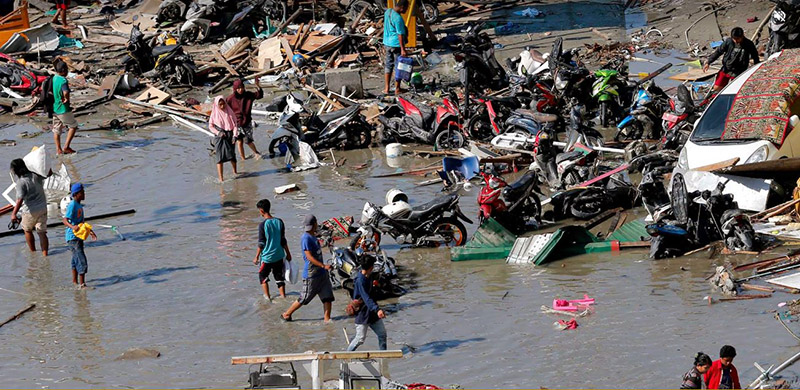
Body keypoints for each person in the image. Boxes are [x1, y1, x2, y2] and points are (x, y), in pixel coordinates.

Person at [281, 214, 335, 323]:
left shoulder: (313, 236)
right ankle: (287, 314)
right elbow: (309, 257)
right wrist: (323, 265)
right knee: (304, 298)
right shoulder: (305, 238)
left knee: (327, 296)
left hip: (321, 273)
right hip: (312, 274)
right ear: (314, 224)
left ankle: (327, 320)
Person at [252, 199, 292, 301]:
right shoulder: (279, 222)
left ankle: (267, 298)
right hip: (279, 255)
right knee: (279, 277)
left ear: (261, 210)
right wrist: (288, 253)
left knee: (263, 277)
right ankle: (283, 297)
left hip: (267, 257)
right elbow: (283, 240)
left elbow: (261, 243)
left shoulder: (263, 225)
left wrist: (256, 257)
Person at [346, 255, 388, 351]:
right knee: (360, 339)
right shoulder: (360, 280)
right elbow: (366, 298)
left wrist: (376, 286)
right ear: (370, 267)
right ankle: (347, 356)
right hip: (363, 313)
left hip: (372, 313)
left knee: (382, 335)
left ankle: (383, 356)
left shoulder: (368, 276)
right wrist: (377, 310)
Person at [9, 159, 49, 256]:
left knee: (27, 230)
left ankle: (33, 253)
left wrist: (14, 213)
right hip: (43, 208)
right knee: (42, 232)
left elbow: (20, 199)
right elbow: (49, 173)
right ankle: (45, 254)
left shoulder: (21, 182)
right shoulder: (36, 175)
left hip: (30, 211)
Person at [703, 27, 760, 93]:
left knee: (734, 90)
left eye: (737, 39)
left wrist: (757, 70)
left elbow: (755, 56)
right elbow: (718, 52)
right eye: (734, 39)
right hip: (726, 68)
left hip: (739, 71)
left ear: (742, 36)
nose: (736, 41)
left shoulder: (749, 44)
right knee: (717, 88)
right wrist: (708, 62)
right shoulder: (728, 42)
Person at [62, 183, 96, 289]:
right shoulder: (72, 205)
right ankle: (82, 284)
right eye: (82, 192)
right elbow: (65, 220)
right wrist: (72, 227)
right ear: (76, 194)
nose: (84, 194)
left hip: (79, 236)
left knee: (75, 259)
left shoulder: (79, 205)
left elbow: (82, 222)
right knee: (81, 259)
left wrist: (90, 231)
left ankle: (74, 282)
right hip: (72, 237)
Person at [226, 78, 263, 161]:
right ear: (235, 89)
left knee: (248, 140)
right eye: (238, 88)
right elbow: (225, 110)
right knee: (239, 141)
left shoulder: (248, 95)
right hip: (236, 123)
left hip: (247, 122)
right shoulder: (230, 99)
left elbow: (259, 95)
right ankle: (243, 159)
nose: (240, 90)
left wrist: (258, 86)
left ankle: (256, 153)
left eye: (242, 87)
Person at [208, 96, 239, 182]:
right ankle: (221, 179)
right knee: (219, 158)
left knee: (232, 155)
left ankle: (235, 172)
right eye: (220, 104)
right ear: (217, 105)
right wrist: (218, 133)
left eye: (223, 104)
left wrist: (235, 135)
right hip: (220, 136)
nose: (222, 106)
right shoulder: (214, 114)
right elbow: (210, 126)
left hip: (229, 135)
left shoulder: (229, 111)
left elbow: (235, 124)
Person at [52, 60, 78, 155]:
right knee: (73, 126)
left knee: (56, 129)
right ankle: (66, 147)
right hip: (63, 108)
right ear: (63, 70)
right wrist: (66, 99)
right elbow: (65, 91)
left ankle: (58, 150)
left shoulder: (55, 78)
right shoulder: (63, 80)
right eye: (66, 69)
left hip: (55, 107)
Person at [383, 0, 409, 95]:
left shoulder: (388, 12)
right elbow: (400, 34)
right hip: (396, 45)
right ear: (402, 7)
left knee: (388, 65)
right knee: (399, 66)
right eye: (406, 8)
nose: (406, 10)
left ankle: (386, 88)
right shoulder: (398, 19)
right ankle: (397, 89)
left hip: (387, 43)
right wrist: (403, 49)